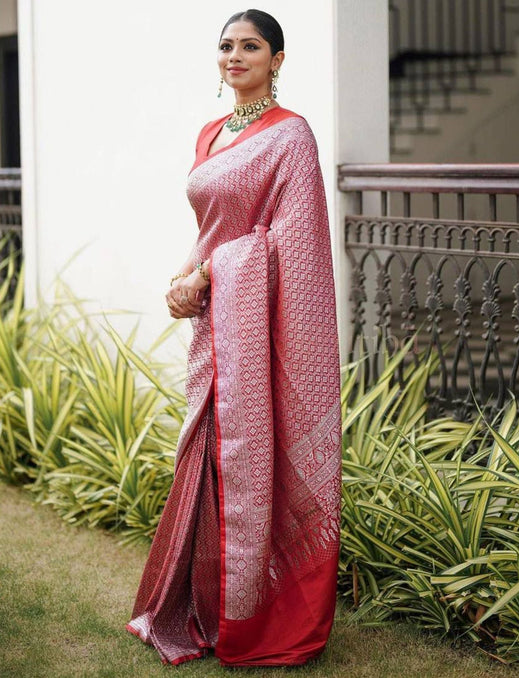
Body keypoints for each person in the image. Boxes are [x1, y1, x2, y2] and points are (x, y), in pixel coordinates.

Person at [125, 8, 342, 668]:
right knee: (210, 456)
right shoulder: (211, 134)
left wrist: (209, 274)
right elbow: (217, 228)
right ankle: (203, 605)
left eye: (251, 46)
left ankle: (259, 617)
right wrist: (184, 278)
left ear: (277, 59)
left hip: (258, 329)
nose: (235, 55)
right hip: (214, 325)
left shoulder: (291, 137)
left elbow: (291, 245)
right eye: (226, 45)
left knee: (253, 458)